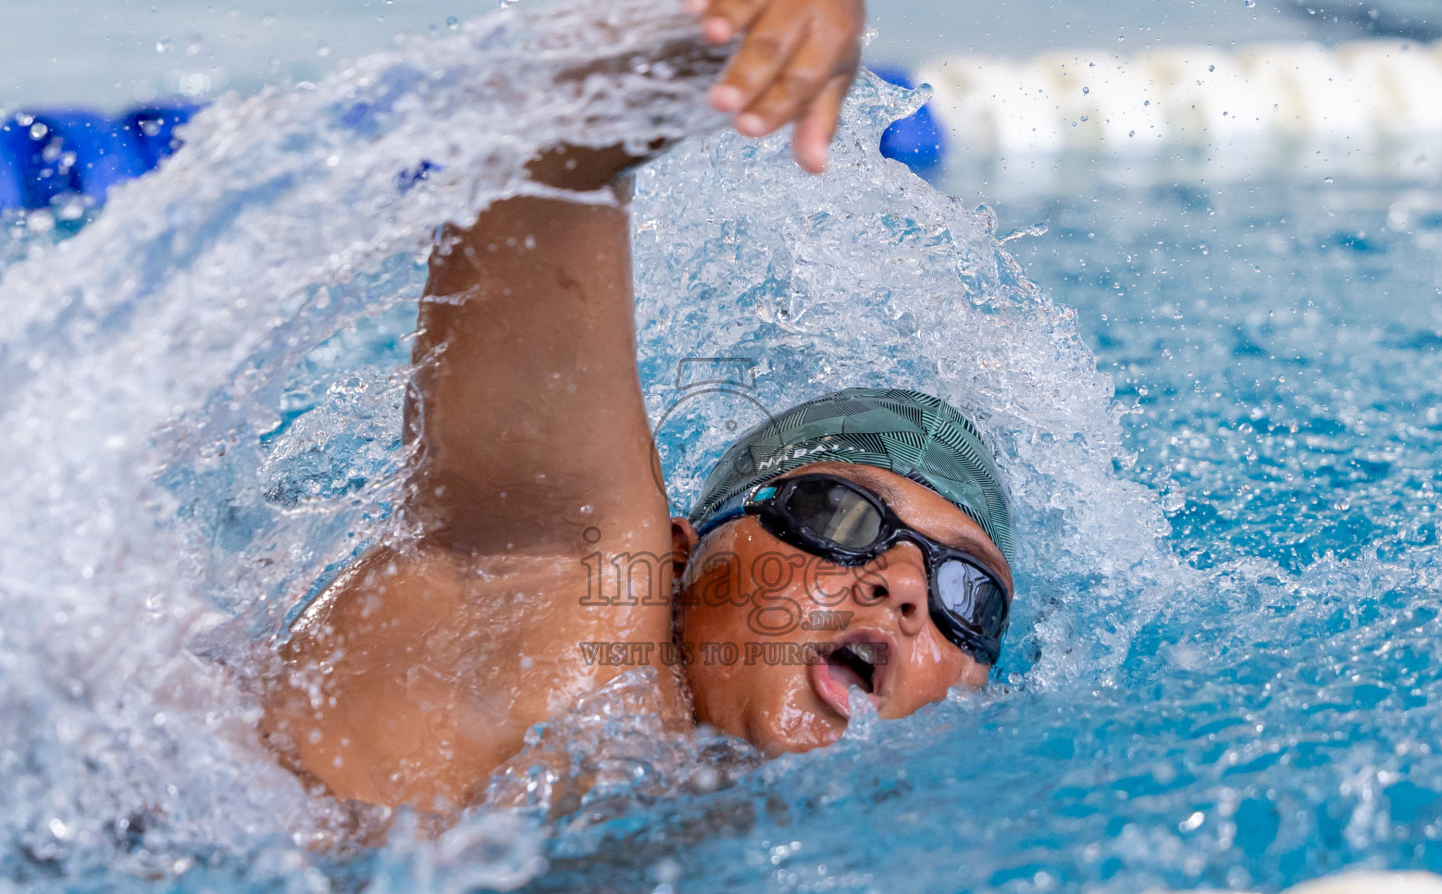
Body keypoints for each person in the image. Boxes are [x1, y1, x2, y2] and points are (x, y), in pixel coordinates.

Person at [260, 0, 1016, 812]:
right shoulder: (567, 623)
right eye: (837, 515)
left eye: (967, 596)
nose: (904, 585)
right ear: (675, 557)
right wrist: (688, 52)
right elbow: (546, 157)